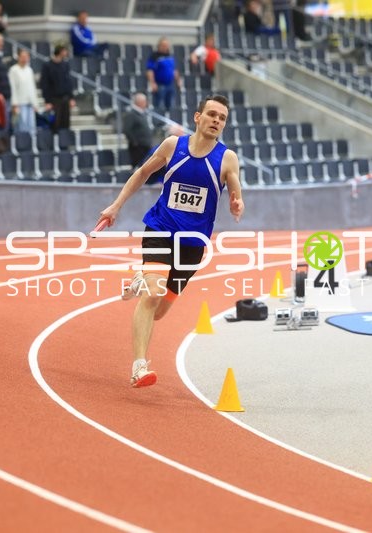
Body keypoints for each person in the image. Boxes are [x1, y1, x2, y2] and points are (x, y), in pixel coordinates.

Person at [96, 94, 244, 387]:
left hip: (192, 245)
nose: (217, 120)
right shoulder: (172, 146)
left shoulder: (227, 158)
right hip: (161, 230)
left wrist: (237, 203)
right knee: (152, 295)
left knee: (160, 311)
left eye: (222, 117)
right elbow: (142, 173)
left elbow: (237, 192)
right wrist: (116, 206)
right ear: (197, 117)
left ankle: (142, 277)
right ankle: (140, 366)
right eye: (212, 114)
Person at [40, 45, 76, 134]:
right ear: (59, 51)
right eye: (64, 51)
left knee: (66, 123)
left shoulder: (65, 65)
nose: (66, 53)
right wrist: (47, 101)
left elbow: (68, 82)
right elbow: (44, 84)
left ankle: (65, 144)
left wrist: (71, 97)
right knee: (55, 124)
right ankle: (55, 144)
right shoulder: (47, 65)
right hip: (54, 99)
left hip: (65, 98)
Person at [8, 49, 41, 134]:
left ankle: (31, 145)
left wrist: (35, 103)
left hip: (30, 103)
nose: (25, 59)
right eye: (23, 57)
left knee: (31, 128)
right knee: (21, 127)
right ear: (18, 57)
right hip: (20, 103)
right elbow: (13, 88)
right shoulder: (13, 70)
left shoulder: (29, 70)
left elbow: (32, 88)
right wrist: (14, 104)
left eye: (26, 57)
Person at [146, 37, 181, 113]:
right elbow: (150, 70)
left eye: (167, 45)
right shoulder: (154, 56)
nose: (165, 47)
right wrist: (152, 83)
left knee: (171, 106)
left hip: (170, 84)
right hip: (160, 85)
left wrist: (178, 81)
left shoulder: (170, 56)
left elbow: (174, 70)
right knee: (158, 106)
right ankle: (158, 123)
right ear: (159, 46)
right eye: (163, 45)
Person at [122, 92, 154, 168]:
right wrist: (135, 142)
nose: (146, 103)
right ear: (140, 102)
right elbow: (127, 129)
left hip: (145, 146)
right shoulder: (131, 114)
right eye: (145, 101)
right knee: (139, 167)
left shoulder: (142, 113)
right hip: (138, 148)